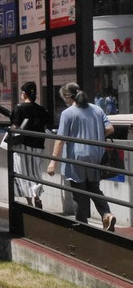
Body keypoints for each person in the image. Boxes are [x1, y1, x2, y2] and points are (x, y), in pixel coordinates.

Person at [46, 82, 116, 231]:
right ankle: (106, 214)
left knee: (79, 193)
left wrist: (53, 162)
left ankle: (82, 226)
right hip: (96, 155)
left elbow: (60, 140)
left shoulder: (68, 113)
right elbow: (110, 128)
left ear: (67, 96)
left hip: (76, 157)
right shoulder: (97, 109)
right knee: (94, 188)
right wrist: (95, 135)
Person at [10, 82, 52, 208]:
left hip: (23, 144)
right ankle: (37, 196)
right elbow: (45, 125)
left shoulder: (19, 108)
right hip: (38, 144)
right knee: (35, 172)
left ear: (24, 93)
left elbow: (15, 126)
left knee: (23, 172)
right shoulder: (42, 110)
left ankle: (29, 203)